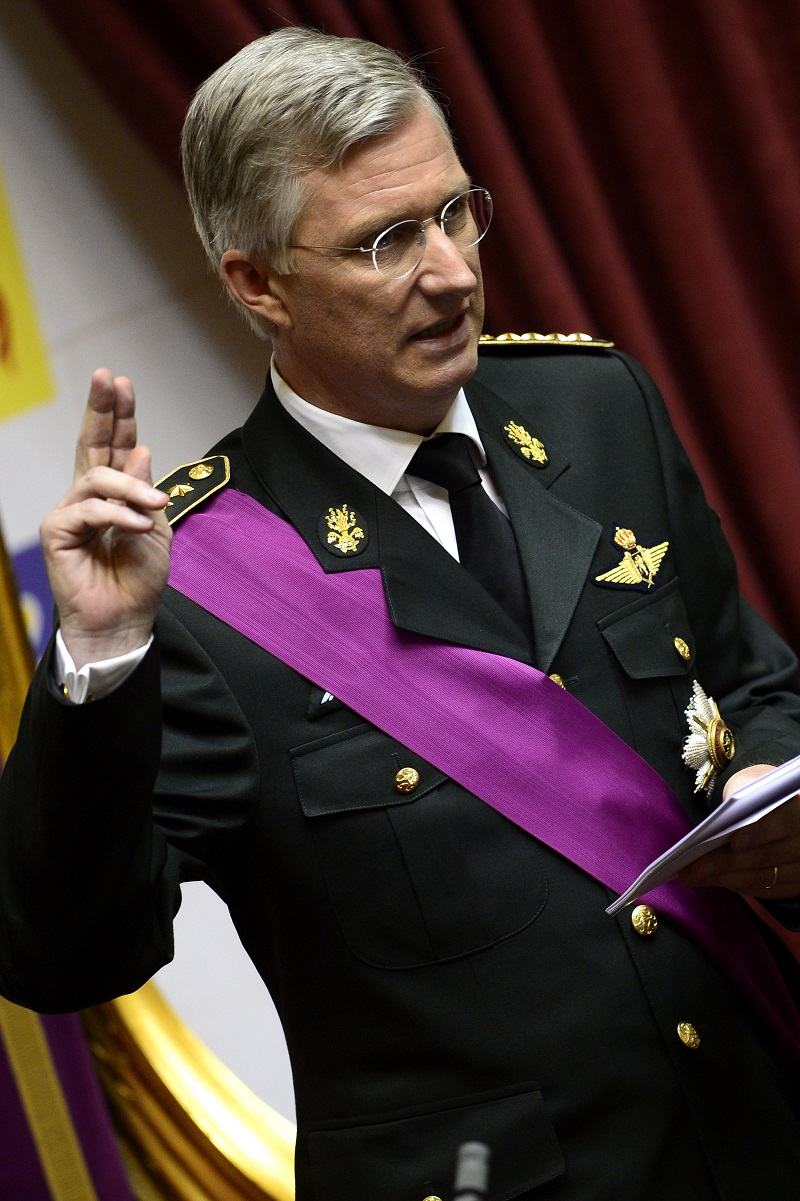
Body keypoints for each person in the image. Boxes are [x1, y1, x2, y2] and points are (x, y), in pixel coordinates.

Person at [2, 26, 800, 1201]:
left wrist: (773, 789)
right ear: (256, 283)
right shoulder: (194, 585)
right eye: (385, 241)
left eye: (454, 212)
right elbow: (63, 954)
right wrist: (102, 658)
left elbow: (749, 682)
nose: (451, 272)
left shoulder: (593, 410)